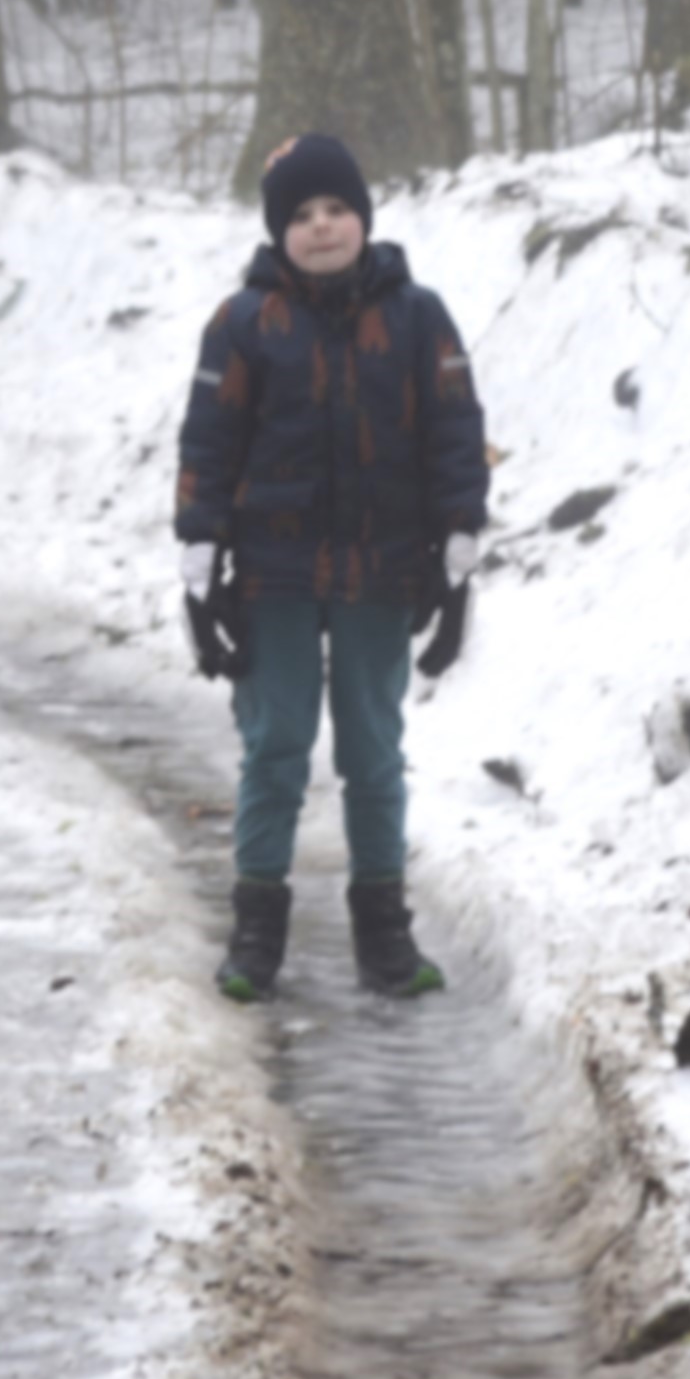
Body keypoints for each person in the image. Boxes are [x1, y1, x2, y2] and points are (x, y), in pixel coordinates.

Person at [172, 128, 488, 1001]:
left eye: (337, 208)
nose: (321, 227)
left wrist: (457, 540)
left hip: (381, 573)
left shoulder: (418, 317)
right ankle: (256, 931)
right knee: (274, 747)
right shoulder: (243, 325)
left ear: (364, 217)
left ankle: (384, 935)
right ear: (278, 231)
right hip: (271, 577)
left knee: (374, 752)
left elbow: (454, 430)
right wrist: (201, 548)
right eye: (301, 215)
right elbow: (210, 438)